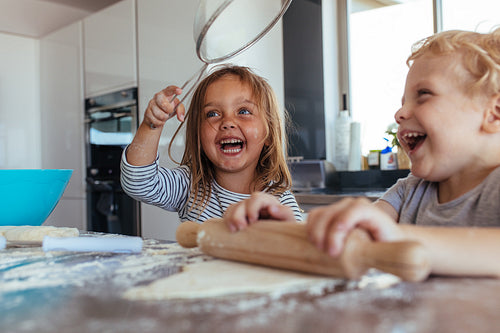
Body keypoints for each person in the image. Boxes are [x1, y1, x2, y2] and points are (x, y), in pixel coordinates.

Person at [223, 28, 500, 277]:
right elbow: (354, 234)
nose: (401, 112)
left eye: (424, 94)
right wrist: (288, 231)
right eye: (403, 101)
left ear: (494, 113)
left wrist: (399, 237)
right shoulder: (409, 192)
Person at [120, 65, 303, 225]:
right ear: (198, 135)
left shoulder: (279, 202)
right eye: (212, 114)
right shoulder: (191, 186)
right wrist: (152, 125)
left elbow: (297, 253)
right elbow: (138, 183)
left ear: (269, 133)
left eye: (244, 111)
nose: (228, 122)